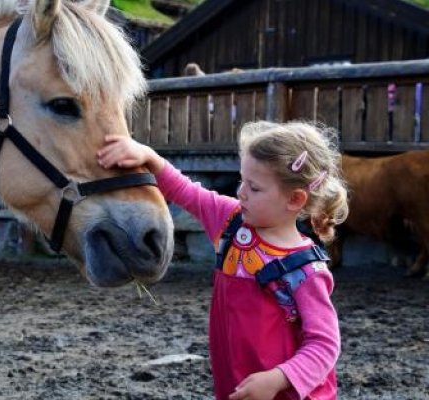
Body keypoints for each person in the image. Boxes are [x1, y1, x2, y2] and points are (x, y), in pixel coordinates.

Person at [97, 121, 348, 400]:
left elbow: (325, 344)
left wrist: (280, 379)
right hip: (237, 382)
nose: (241, 192)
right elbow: (188, 193)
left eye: (254, 188)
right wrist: (150, 159)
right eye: (242, 180)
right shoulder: (232, 224)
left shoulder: (305, 270)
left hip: (286, 392)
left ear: (294, 199)